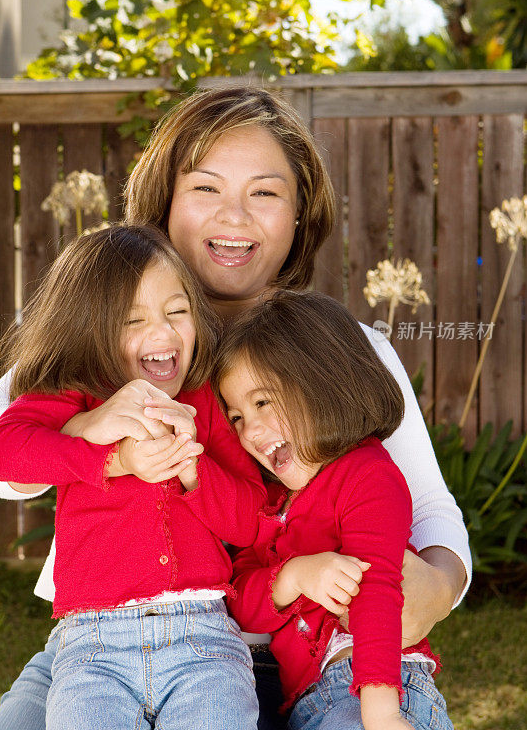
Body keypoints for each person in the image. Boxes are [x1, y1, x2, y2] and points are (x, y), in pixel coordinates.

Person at [0, 86, 470, 730]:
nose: (235, 216)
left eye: (266, 192)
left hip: (309, 653)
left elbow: (434, 510)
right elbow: (10, 464)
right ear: (162, 204)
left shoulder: (347, 350)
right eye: (206, 188)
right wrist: (94, 427)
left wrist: (437, 590)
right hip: (102, 642)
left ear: (301, 216)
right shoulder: (100, 345)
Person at [0, 224, 266, 730]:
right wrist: (110, 455)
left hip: (203, 640)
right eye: (132, 320)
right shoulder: (74, 393)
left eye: (177, 311)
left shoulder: (204, 401)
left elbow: (251, 520)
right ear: (89, 329)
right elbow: (6, 452)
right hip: (92, 647)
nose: (162, 333)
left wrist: (194, 470)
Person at [214, 290, 453, 730]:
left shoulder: (366, 475)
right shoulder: (270, 503)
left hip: (373, 688)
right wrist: (293, 576)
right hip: (309, 702)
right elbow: (245, 605)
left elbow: (379, 592)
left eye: (263, 402)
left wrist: (379, 712)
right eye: (236, 417)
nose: (251, 430)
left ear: (321, 383)